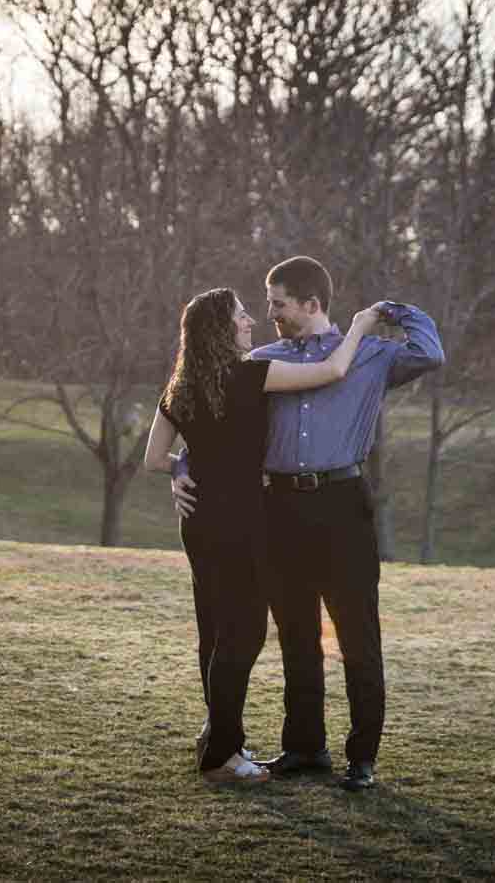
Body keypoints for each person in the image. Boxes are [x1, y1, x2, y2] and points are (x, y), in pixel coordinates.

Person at [172, 256, 444, 792]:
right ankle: (304, 748)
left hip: (343, 503)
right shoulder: (262, 360)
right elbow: (209, 420)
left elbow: (432, 353)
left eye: (277, 303)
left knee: (358, 635)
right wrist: (180, 465)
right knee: (296, 634)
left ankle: (362, 756)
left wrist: (390, 312)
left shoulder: (371, 354)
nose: (269, 313)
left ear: (311, 304)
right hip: (277, 510)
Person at [139, 286, 387, 784]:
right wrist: (360, 326)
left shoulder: (181, 387)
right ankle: (222, 757)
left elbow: (153, 459)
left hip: (200, 521)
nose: (251, 321)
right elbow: (333, 370)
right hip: (244, 522)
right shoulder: (253, 375)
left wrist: (182, 470)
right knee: (243, 633)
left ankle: (217, 735)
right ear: (222, 329)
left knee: (215, 627)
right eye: (241, 315)